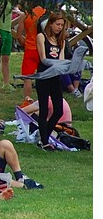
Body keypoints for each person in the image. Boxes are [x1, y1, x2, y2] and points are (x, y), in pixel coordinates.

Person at [35, 11, 67, 151]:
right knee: (43, 110)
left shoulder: (61, 41)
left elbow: (61, 59)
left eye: (62, 25)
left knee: (58, 110)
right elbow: (43, 58)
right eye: (57, 24)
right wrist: (56, 65)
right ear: (51, 23)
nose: (59, 27)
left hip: (55, 77)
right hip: (44, 75)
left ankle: (44, 137)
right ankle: (44, 141)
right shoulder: (41, 37)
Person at [16, 5, 46, 107]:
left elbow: (19, 35)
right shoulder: (45, 12)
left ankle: (27, 102)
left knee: (27, 78)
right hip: (43, 48)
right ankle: (45, 100)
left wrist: (25, 43)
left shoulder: (25, 14)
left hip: (30, 48)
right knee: (45, 76)